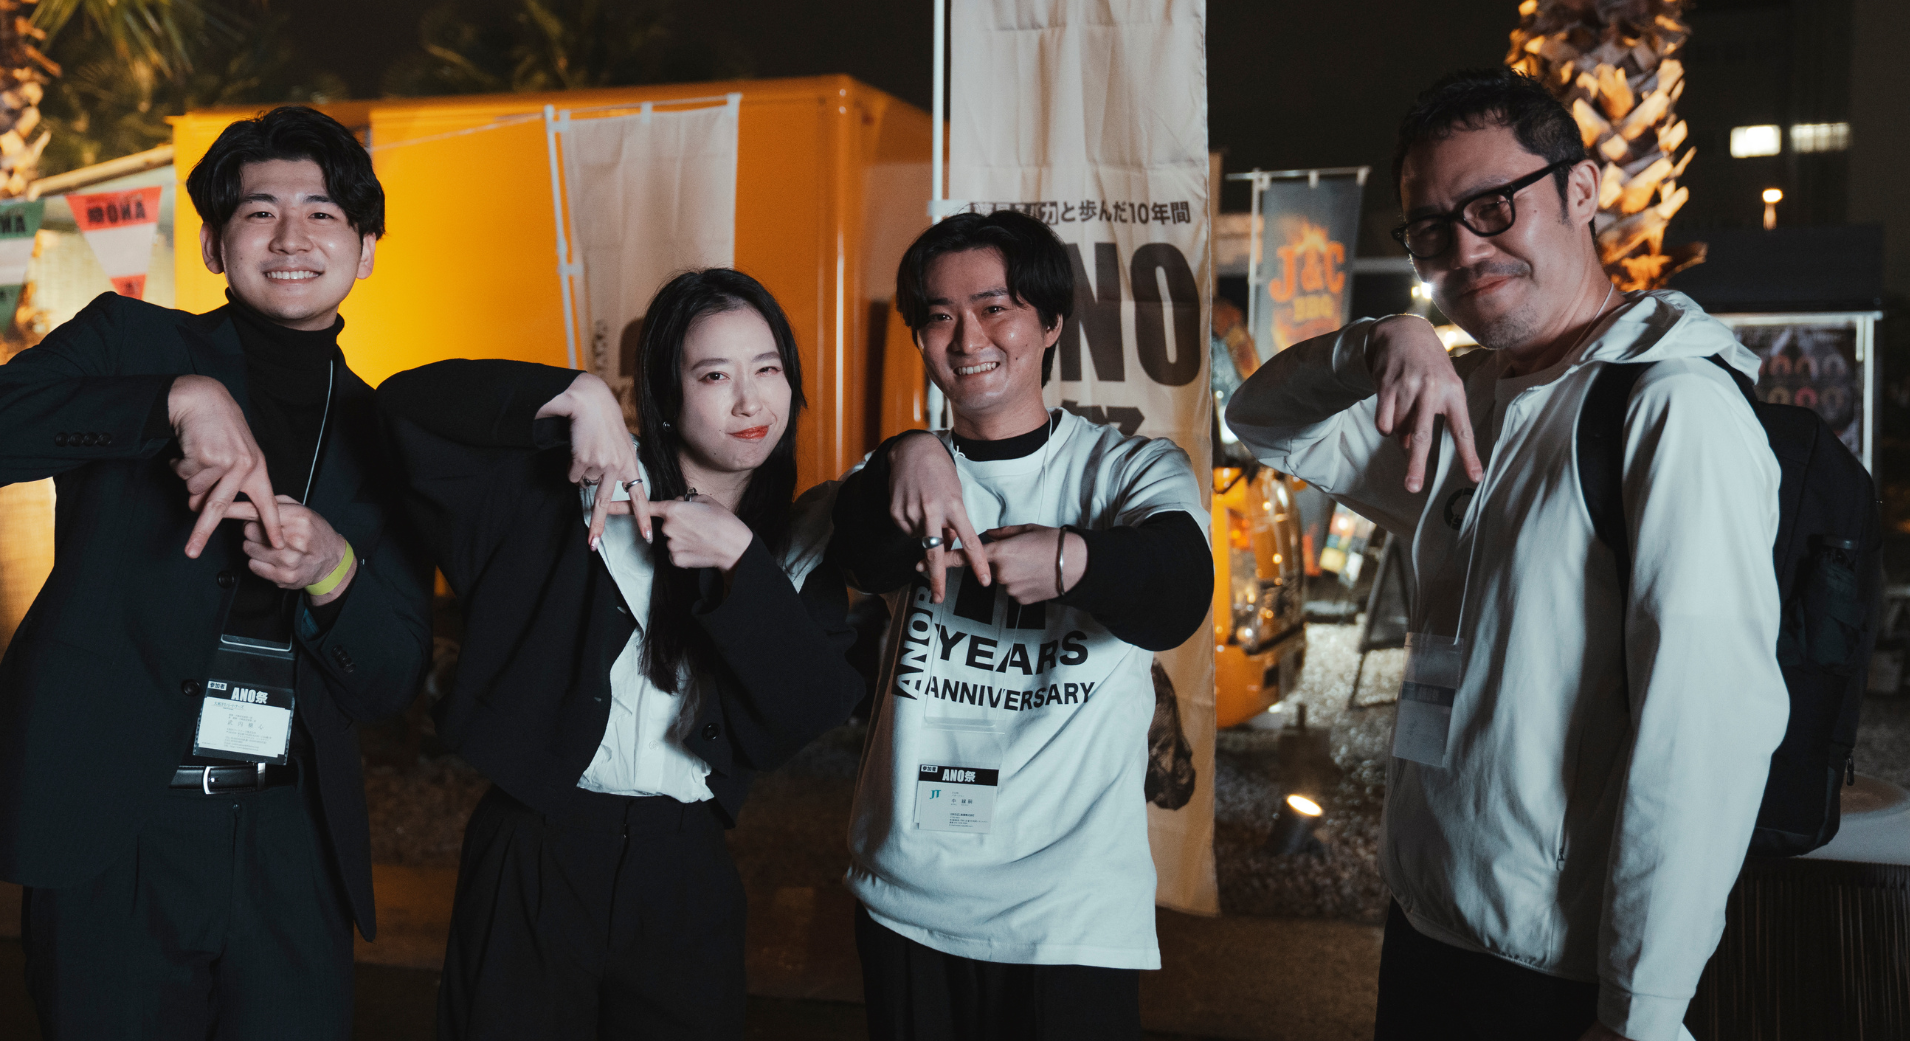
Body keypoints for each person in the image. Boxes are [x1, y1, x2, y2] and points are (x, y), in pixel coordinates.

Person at [1225, 67, 1786, 1041]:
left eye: (1492, 206)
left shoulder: (1669, 408)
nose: (1464, 250)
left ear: (1580, 190)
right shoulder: (1470, 398)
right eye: (1430, 227)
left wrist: (1644, 1013)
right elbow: (1261, 419)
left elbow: (1701, 733)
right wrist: (1379, 341)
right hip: (1427, 931)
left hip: (1554, 977)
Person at [0, 105, 433, 1039]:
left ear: (364, 251)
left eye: (322, 213)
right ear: (212, 245)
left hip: (291, 845)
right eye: (259, 212)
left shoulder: (387, 435)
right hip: (119, 829)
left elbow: (392, 680)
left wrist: (333, 572)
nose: (291, 237)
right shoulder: (133, 344)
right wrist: (172, 400)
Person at [376, 268, 866, 1041]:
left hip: (686, 866)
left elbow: (795, 717)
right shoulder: (576, 491)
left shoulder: (797, 544)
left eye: (769, 369)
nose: (750, 402)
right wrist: (575, 392)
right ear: (665, 396)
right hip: (533, 849)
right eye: (714, 376)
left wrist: (740, 565)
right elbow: (399, 408)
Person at [830, 210, 1214, 1041]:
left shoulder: (1129, 468)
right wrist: (906, 450)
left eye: (995, 308)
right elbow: (860, 548)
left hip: (1067, 914)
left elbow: (1180, 589)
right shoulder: (903, 475)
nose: (968, 337)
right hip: (909, 899)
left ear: (1051, 324)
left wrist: (1074, 561)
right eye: (939, 316)